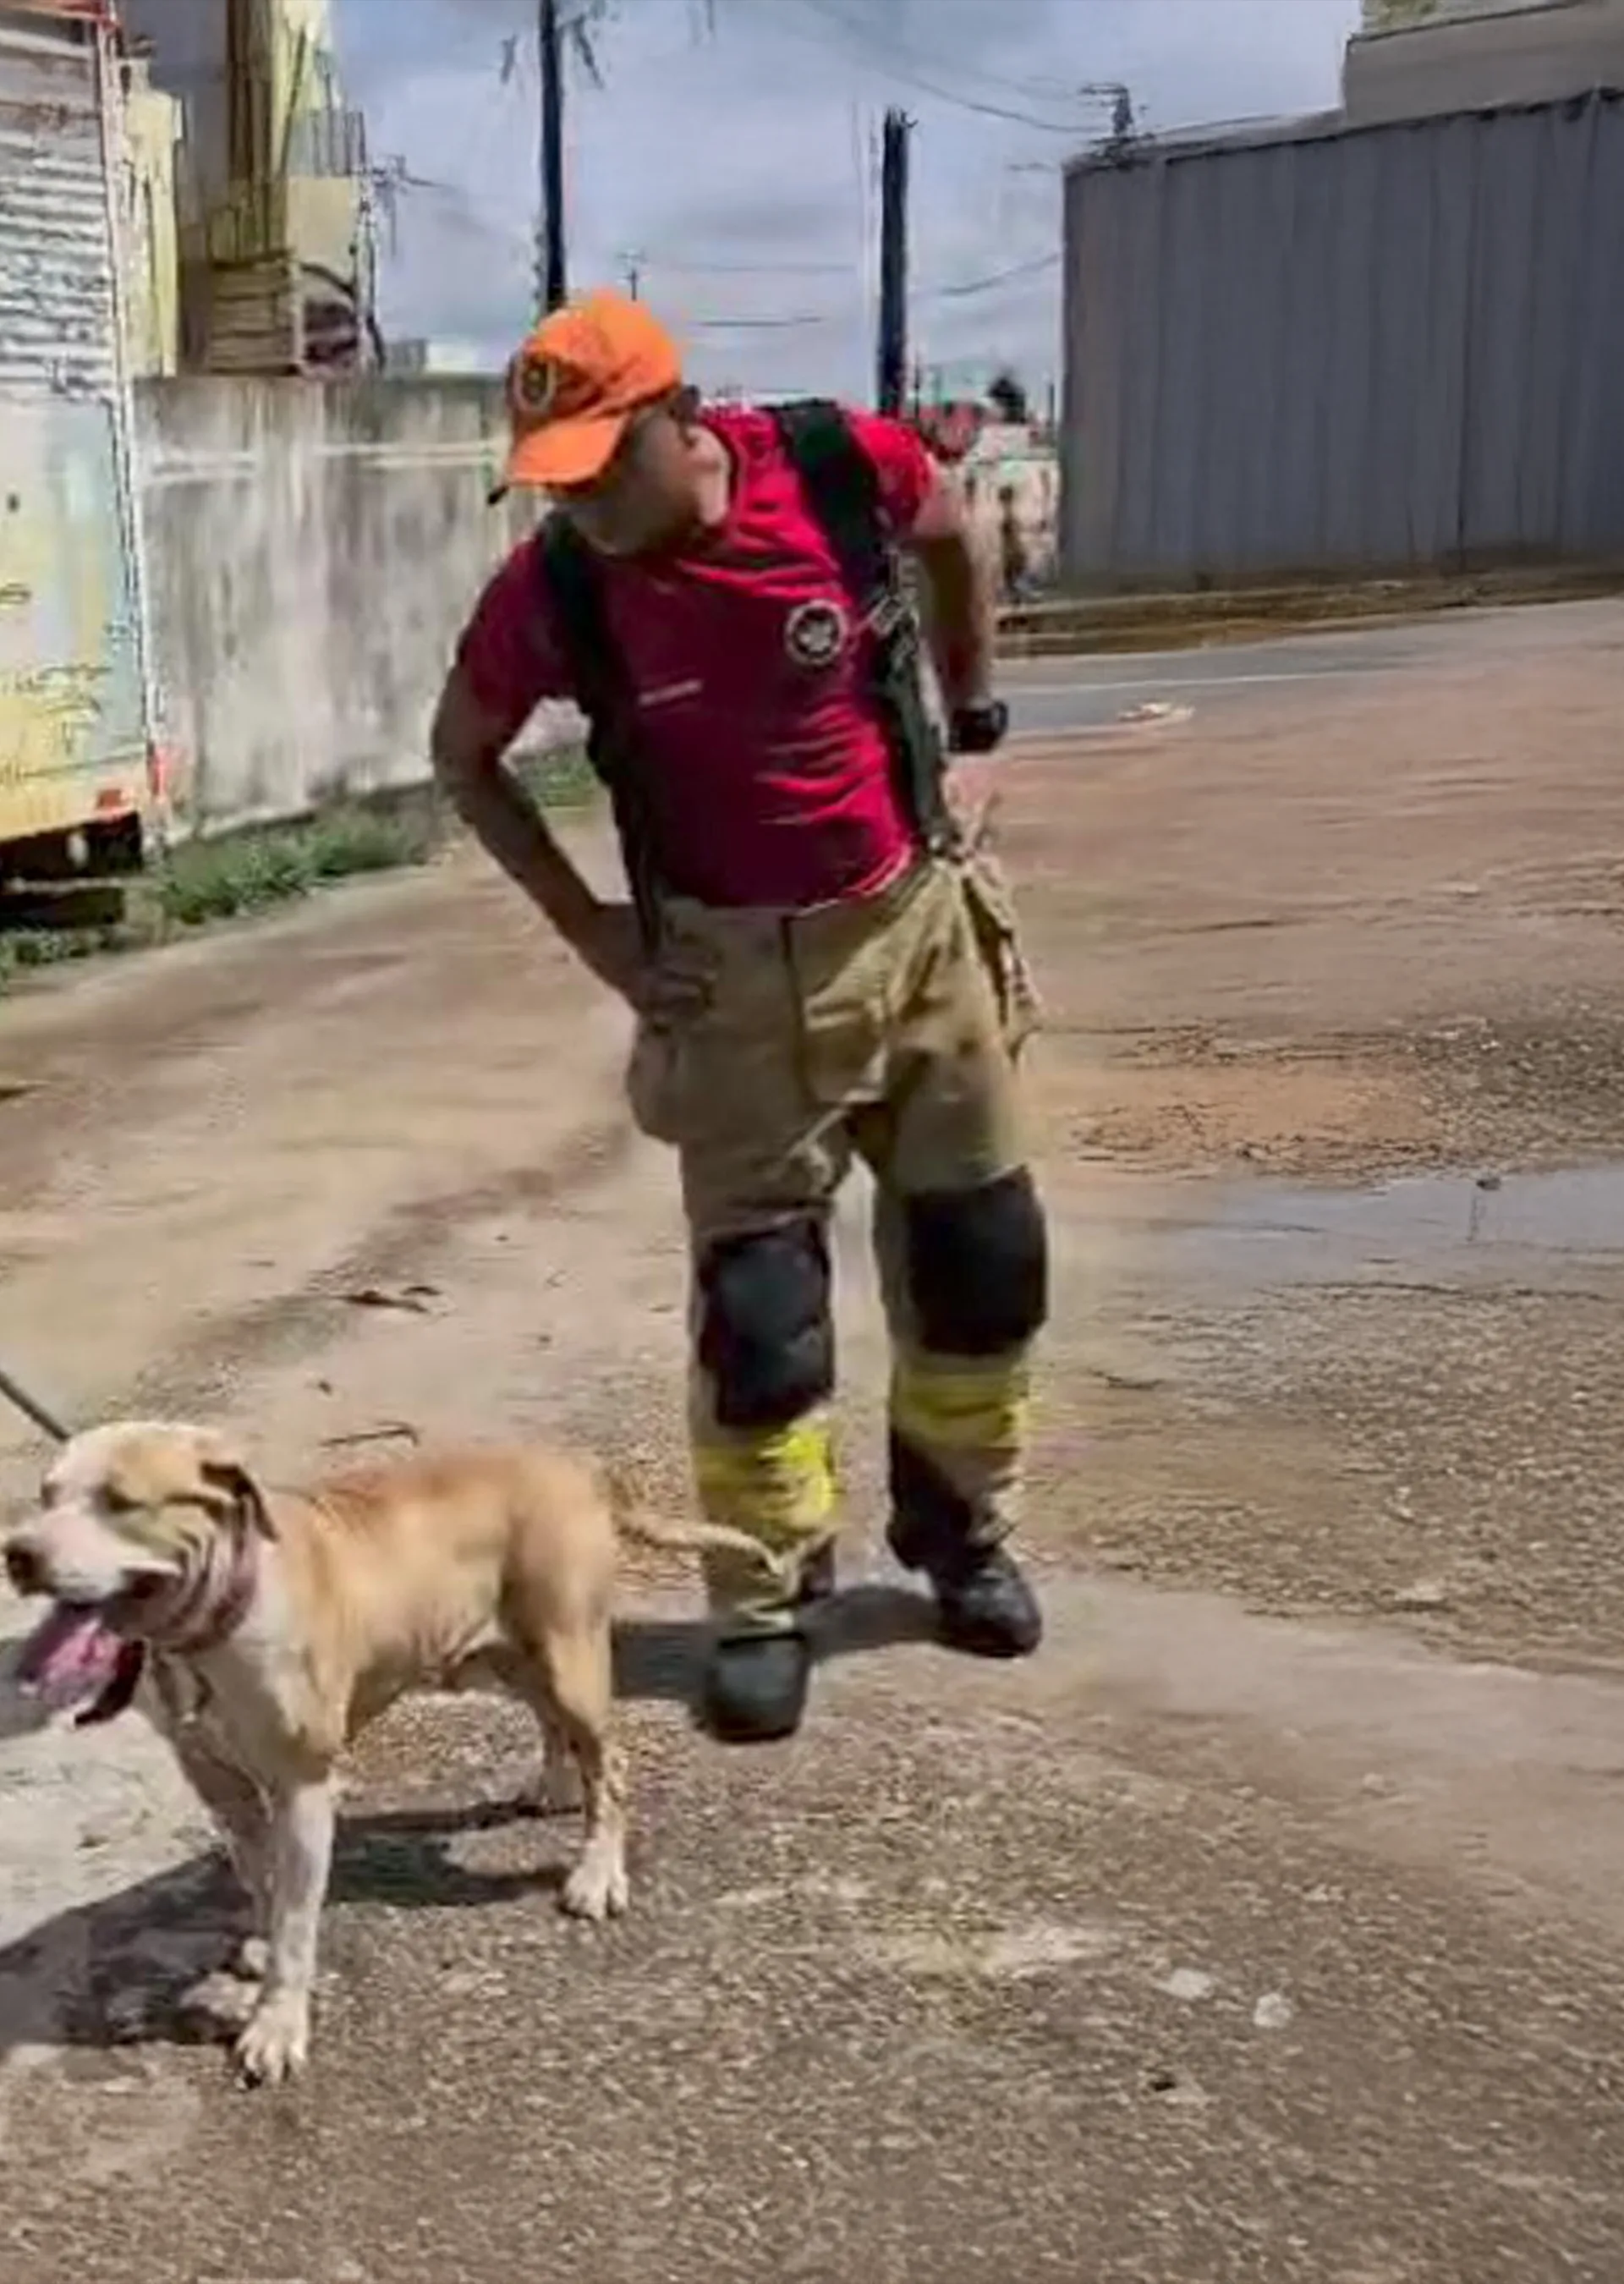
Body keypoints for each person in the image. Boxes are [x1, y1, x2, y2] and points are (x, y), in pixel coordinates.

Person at [421, 289, 1049, 1745]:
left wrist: (971, 718)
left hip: (915, 928)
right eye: (552, 482)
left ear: (672, 417)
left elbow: (949, 524)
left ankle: (961, 1540)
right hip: (731, 983)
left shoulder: (837, 468)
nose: (575, 506)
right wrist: (599, 939)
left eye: (596, 468)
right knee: (761, 1315)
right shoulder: (557, 594)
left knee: (982, 1256)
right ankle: (764, 1598)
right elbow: (461, 756)